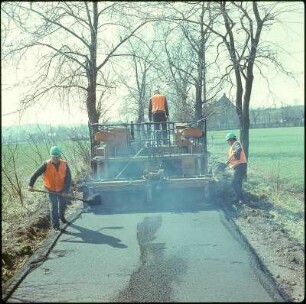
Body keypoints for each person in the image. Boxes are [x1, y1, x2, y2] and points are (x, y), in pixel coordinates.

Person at [28, 146, 72, 230]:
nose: (55, 158)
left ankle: (62, 217)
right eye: (53, 157)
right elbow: (35, 174)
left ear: (60, 156)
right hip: (50, 188)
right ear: (50, 156)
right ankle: (55, 225)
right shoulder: (46, 164)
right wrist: (30, 185)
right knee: (54, 205)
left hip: (62, 188)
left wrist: (65, 190)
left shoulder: (64, 164)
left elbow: (68, 179)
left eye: (57, 157)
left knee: (62, 204)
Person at [225, 132, 247, 204]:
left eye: (228, 140)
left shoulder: (236, 144)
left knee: (234, 183)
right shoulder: (232, 147)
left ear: (231, 139)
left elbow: (238, 149)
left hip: (240, 166)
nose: (228, 142)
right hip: (241, 166)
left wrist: (236, 152)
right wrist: (228, 162)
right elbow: (234, 157)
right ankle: (238, 198)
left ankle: (242, 199)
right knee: (238, 183)